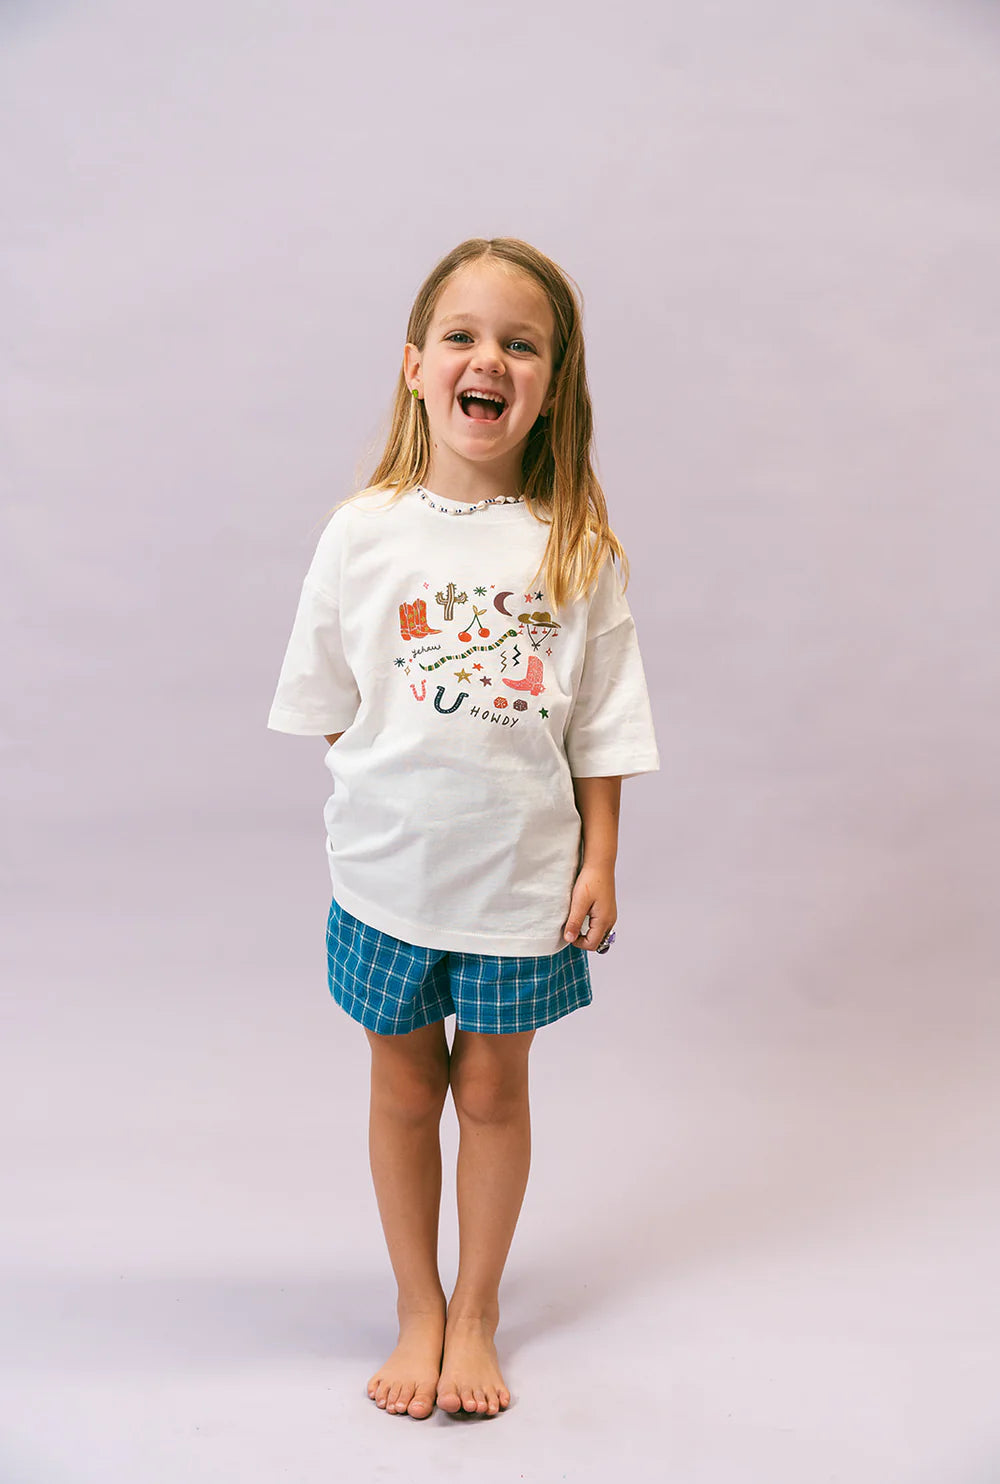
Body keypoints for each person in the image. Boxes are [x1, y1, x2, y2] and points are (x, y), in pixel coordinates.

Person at [266, 235, 660, 1420]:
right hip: (389, 880)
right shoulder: (361, 533)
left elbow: (602, 725)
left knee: (492, 1093)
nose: (488, 357)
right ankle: (415, 1306)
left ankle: (476, 1311)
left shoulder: (575, 548)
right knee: (401, 1090)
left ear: (551, 383)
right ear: (415, 366)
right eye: (462, 336)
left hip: (518, 888)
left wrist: (596, 858)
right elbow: (334, 708)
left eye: (519, 343)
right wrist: (411, 785)